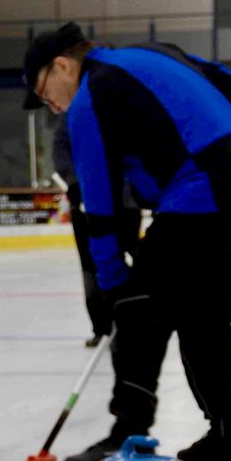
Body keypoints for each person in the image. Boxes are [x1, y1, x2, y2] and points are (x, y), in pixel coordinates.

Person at [23, 23, 231, 461]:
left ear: (62, 66)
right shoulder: (151, 53)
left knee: (139, 308)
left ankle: (127, 434)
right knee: (204, 318)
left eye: (44, 93)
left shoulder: (90, 99)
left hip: (204, 189)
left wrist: (112, 282)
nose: (51, 105)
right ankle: (228, 436)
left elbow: (99, 203)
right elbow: (227, 81)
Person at [51, 116, 143, 347]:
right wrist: (74, 183)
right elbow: (61, 151)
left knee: (134, 257)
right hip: (88, 205)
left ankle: (134, 320)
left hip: (125, 203)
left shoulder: (122, 107)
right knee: (90, 266)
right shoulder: (71, 115)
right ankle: (102, 327)